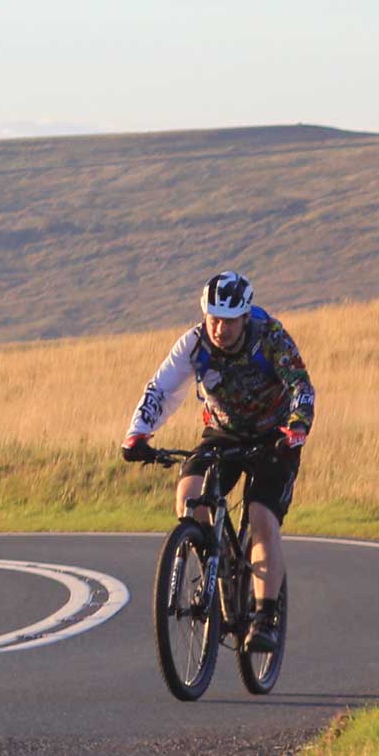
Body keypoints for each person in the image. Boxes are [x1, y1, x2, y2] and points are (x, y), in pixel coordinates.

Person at [119, 271, 315, 653]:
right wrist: (137, 434)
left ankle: (264, 615)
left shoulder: (270, 338)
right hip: (223, 433)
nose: (219, 328)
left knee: (261, 516)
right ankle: (215, 564)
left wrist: (296, 429)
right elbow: (161, 388)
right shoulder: (194, 344)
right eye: (213, 319)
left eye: (228, 320)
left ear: (244, 317)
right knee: (189, 497)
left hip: (275, 436)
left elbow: (300, 387)